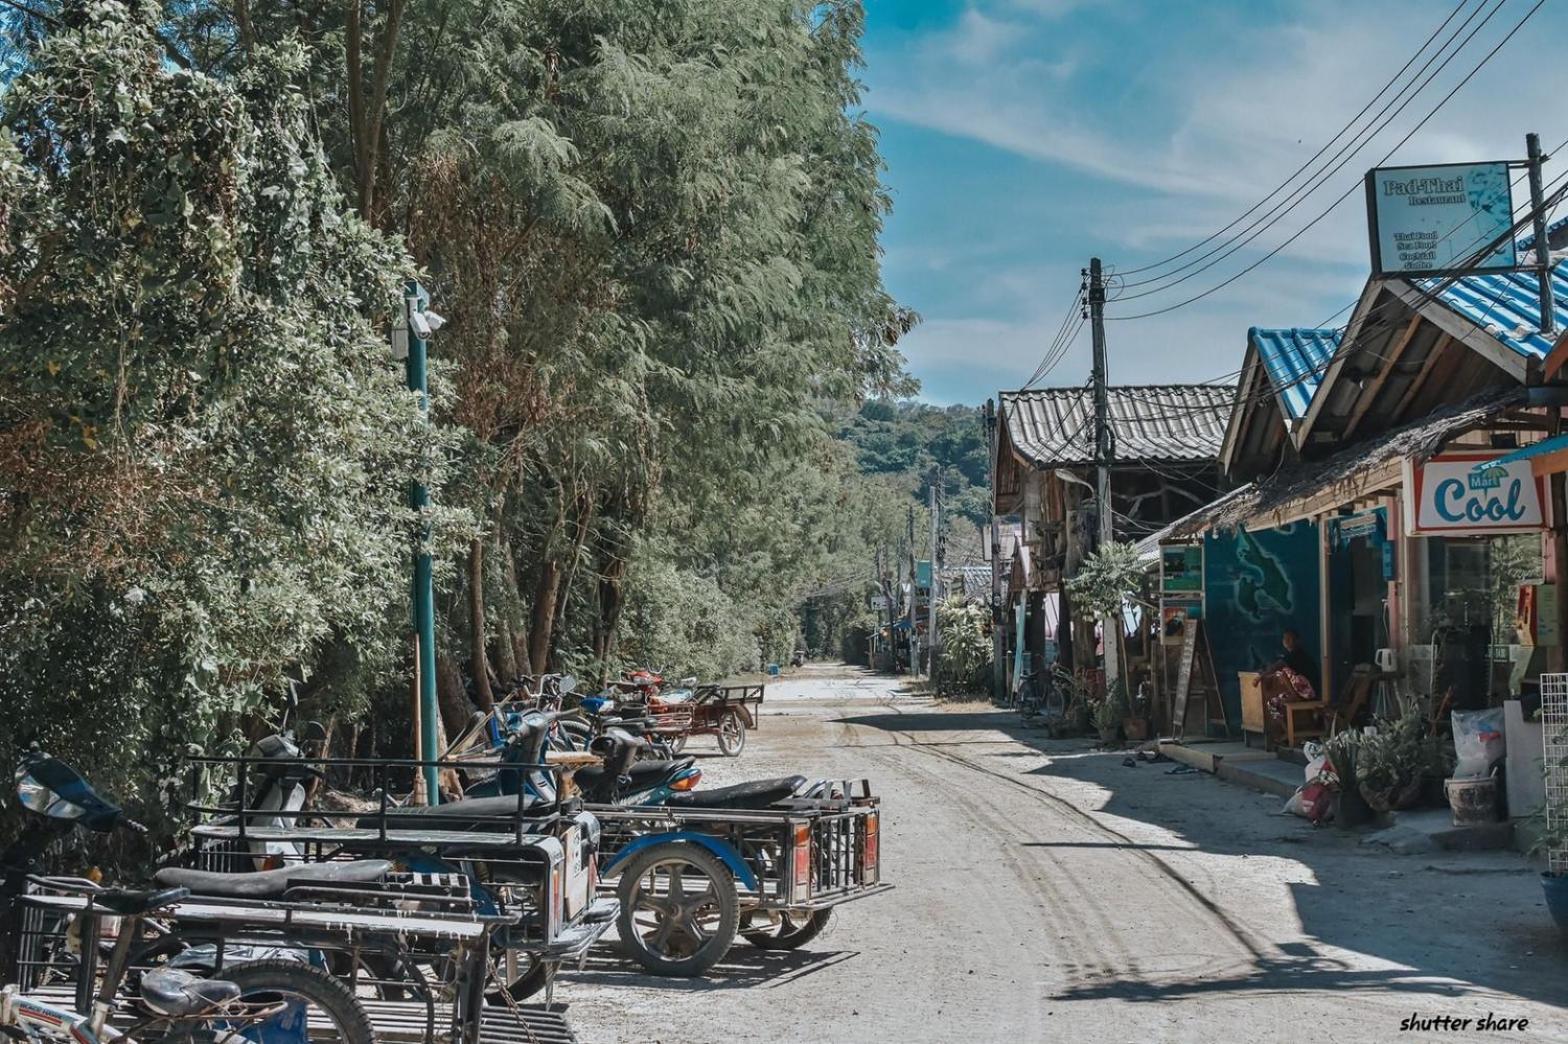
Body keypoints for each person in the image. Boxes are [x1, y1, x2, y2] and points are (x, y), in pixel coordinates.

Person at [1262, 629, 1317, 726]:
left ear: (1297, 641)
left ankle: (1285, 730)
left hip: (1307, 693)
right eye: (1284, 638)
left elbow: (1277, 666)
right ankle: (1285, 730)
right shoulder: (1292, 655)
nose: (1286, 640)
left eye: (1290, 638)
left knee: (1272, 703)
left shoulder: (1296, 654)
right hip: (1301, 692)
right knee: (1277, 699)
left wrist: (1260, 677)